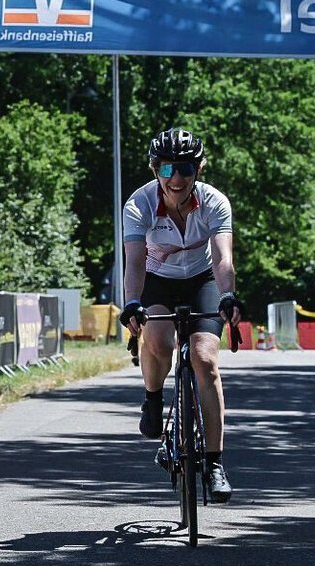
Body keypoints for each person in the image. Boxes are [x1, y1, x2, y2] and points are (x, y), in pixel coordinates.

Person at [118, 128, 244, 504]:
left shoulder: (214, 202)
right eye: (167, 168)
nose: (176, 178)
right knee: (159, 341)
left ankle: (215, 462)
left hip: (202, 279)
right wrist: (132, 302)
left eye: (185, 168)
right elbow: (135, 262)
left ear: (198, 169)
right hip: (157, 280)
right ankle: (153, 398)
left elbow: (223, 258)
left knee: (205, 360)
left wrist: (228, 295)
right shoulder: (139, 204)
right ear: (155, 169)